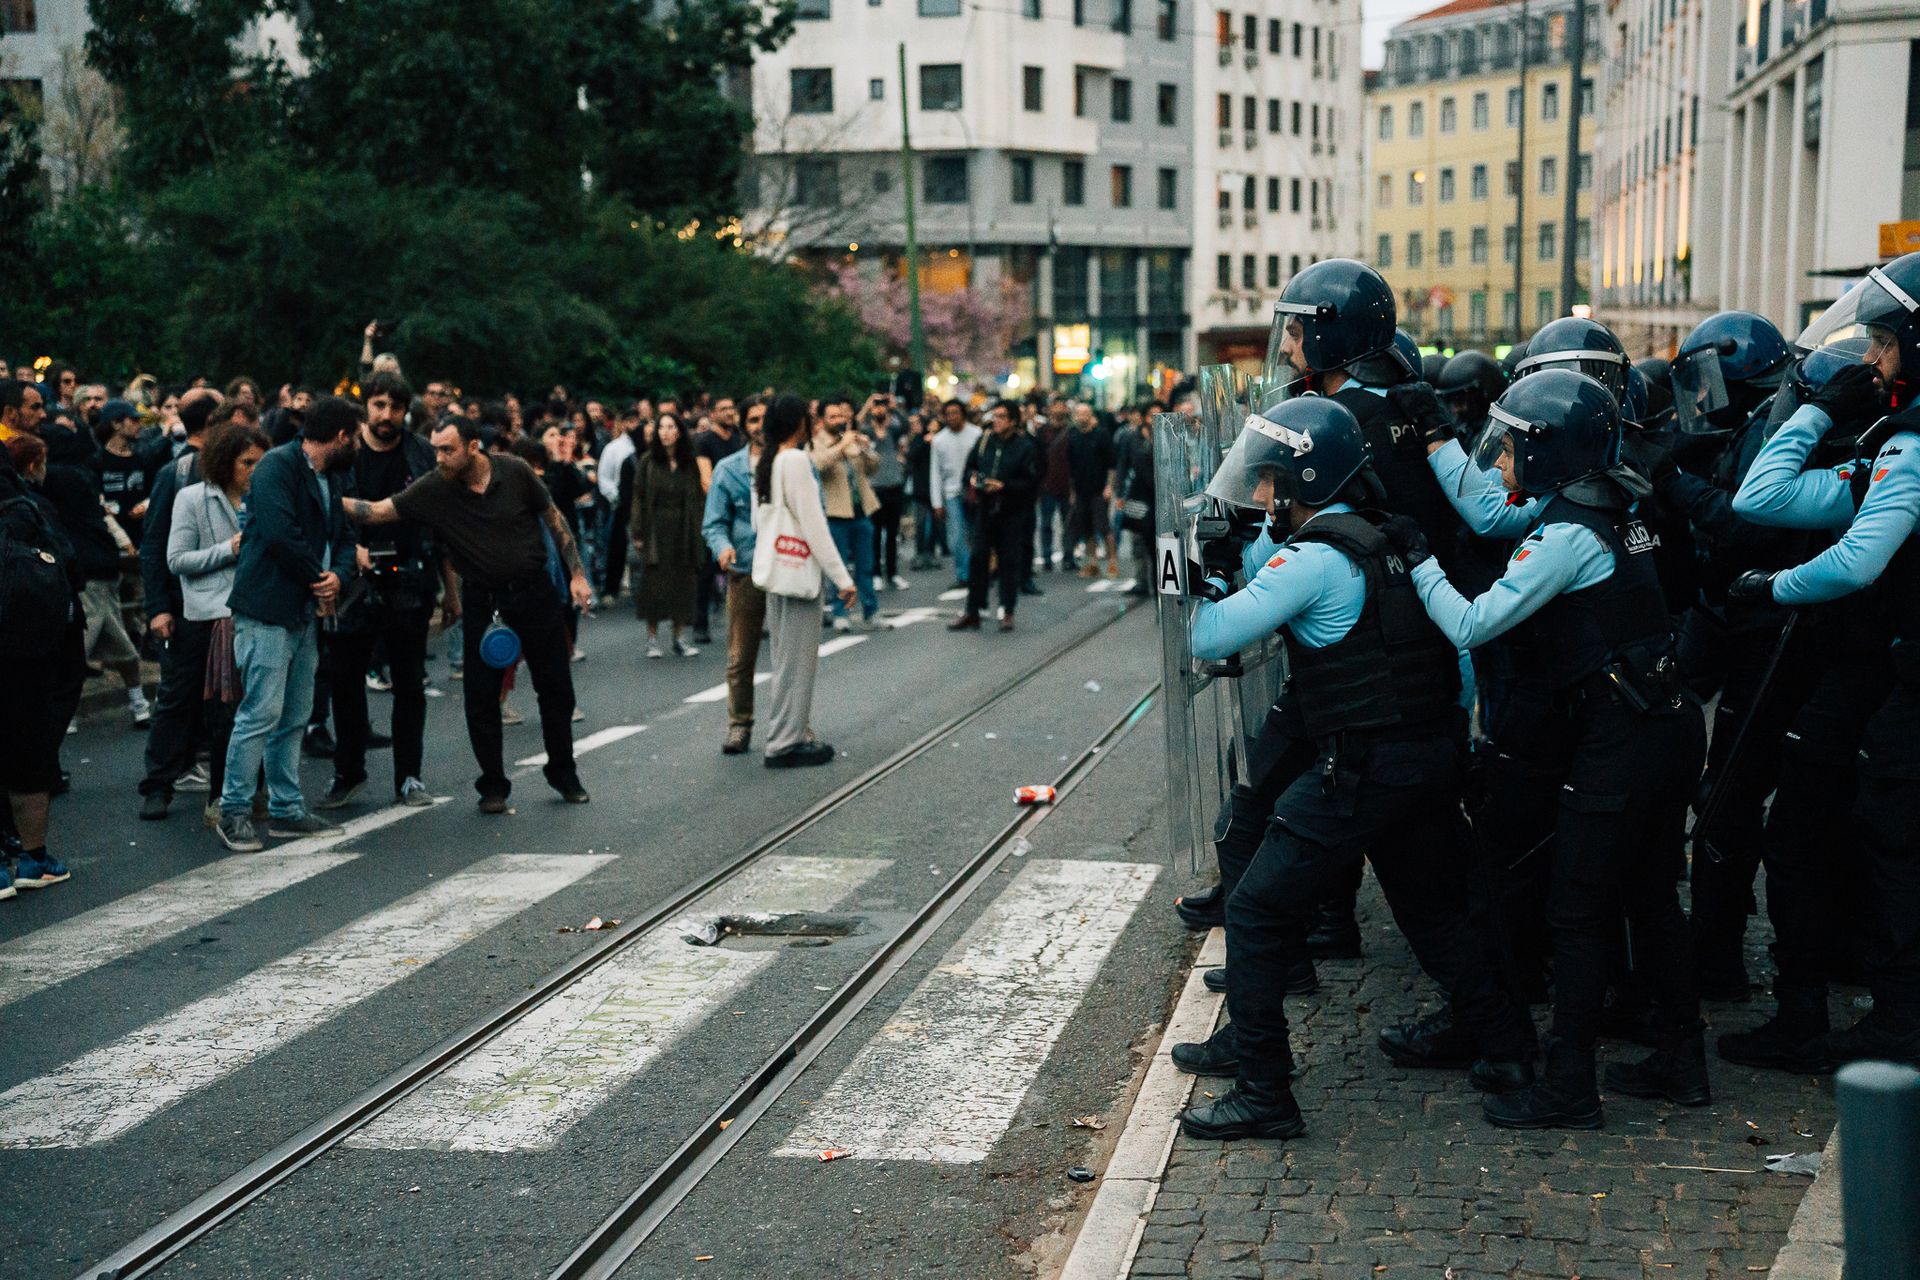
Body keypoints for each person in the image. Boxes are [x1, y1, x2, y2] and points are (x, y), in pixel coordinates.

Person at [1171, 396, 1536, 1142]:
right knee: (1436, 914)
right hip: (1427, 757)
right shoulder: (1389, 539)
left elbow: (1211, 635)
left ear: (1302, 481)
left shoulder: (1313, 561)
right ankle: (1511, 1055)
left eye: (1269, 481)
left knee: (1258, 909)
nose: (1261, 495)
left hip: (1363, 769)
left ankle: (1263, 1088)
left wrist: (1200, 569)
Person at [1410, 370, 1708, 1129]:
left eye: (1508, 451)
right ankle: (1683, 1061)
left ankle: (1569, 1084)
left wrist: (1419, 563)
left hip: (1623, 736)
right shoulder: (1621, 499)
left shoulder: (1566, 536)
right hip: (1667, 722)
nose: (1501, 466)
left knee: (1575, 908)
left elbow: (1476, 624)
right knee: (1650, 896)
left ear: (1549, 452)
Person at [1718, 254, 1920, 1067]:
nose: (1868, 362)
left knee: (1881, 836)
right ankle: (1819, 1008)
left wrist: (1771, 589)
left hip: (1891, 673)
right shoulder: (1890, 447)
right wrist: (1808, 412)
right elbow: (1759, 496)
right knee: (1828, 830)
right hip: (1874, 671)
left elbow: (1855, 562)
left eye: (1882, 343)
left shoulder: (1908, 451)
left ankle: (1890, 1022)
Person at [341, 414, 595, 813]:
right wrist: (316, 492)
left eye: (447, 449)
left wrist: (577, 574)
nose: (438, 457)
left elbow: (555, 520)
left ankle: (563, 772)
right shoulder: (434, 488)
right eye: (436, 448)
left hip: (535, 595)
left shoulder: (515, 471)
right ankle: (492, 785)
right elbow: (375, 512)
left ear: (473, 447)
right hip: (485, 602)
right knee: (480, 698)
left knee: (556, 689)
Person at [214, 396, 361, 852]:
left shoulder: (329, 477)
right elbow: (279, 533)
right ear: (340, 436)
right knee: (260, 713)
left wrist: (338, 574)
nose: (357, 444)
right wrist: (322, 581)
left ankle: (285, 808)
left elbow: (344, 536)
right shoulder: (278, 466)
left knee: (294, 715)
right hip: (268, 609)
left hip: (302, 611)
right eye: (353, 436)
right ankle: (233, 811)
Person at [316, 374, 440, 812]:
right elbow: (321, 510)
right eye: (379, 404)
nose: (386, 415)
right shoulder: (344, 453)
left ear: (407, 410)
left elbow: (440, 521)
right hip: (352, 584)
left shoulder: (422, 454)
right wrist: (352, 555)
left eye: (395, 406)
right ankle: (347, 772)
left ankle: (409, 777)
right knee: (345, 683)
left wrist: (453, 593)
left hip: (410, 582)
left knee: (409, 685)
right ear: (366, 406)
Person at [161, 421, 270, 825]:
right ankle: (219, 796)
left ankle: (254, 789)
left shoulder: (266, 497)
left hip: (258, 610)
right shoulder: (192, 498)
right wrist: (228, 549)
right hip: (210, 617)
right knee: (222, 713)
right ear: (225, 462)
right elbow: (176, 560)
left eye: (261, 462)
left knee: (258, 706)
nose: (254, 471)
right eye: (246, 462)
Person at [754, 394, 857, 768]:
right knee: (798, 663)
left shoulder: (769, 460)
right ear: (797, 423)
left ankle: (786, 733)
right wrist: (842, 578)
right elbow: (815, 525)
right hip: (798, 574)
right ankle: (786, 742)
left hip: (776, 570)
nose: (812, 423)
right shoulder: (796, 460)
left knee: (784, 661)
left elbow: (759, 521)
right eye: (808, 418)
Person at [136, 388, 225, 809]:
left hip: (226, 606)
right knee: (176, 693)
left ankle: (223, 787)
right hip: (183, 605)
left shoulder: (236, 471)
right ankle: (158, 784)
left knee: (224, 696)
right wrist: (158, 608)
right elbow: (153, 545)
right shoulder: (177, 474)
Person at [0, 432, 80, 897]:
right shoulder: (27, 508)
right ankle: (34, 860)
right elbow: (66, 566)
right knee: (30, 759)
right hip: (26, 653)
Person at [703, 396, 767, 754]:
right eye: (753, 419)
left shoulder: (791, 463)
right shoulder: (728, 469)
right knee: (740, 655)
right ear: (744, 425)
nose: (760, 425)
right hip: (745, 568)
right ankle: (740, 724)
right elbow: (713, 523)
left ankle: (795, 724)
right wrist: (722, 547)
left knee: (793, 655)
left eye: (765, 418)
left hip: (786, 569)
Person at [949, 400, 1039, 633]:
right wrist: (973, 480)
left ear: (1012, 421)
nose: (995, 421)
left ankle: (1007, 610)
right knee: (978, 557)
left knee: (1008, 562)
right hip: (985, 509)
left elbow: (1031, 482)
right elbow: (969, 468)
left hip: (1012, 512)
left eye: (1001, 416)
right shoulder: (984, 441)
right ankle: (973, 610)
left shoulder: (1024, 447)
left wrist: (1004, 486)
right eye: (994, 416)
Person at [630, 411, 705, 658]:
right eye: (661, 427)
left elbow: (697, 498)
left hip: (684, 528)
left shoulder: (688, 462)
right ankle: (652, 639)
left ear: (680, 431)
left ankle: (678, 637)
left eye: (671, 426)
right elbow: (638, 498)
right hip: (656, 528)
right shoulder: (648, 461)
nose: (665, 432)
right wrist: (638, 531)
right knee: (654, 584)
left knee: (683, 582)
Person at [809, 396, 882, 630]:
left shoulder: (850, 439)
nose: (839, 420)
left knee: (866, 565)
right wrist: (842, 447)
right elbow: (818, 465)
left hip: (861, 511)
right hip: (835, 514)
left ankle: (872, 611)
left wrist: (866, 449)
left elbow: (872, 469)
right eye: (833, 416)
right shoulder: (814, 443)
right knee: (838, 566)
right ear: (821, 420)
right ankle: (841, 613)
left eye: (841, 415)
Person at [928, 400, 981, 588]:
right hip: (951, 493)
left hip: (975, 493)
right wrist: (936, 502)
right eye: (948, 413)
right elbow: (935, 473)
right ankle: (964, 574)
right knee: (956, 536)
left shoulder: (976, 434)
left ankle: (980, 572)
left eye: (956, 413)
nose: (952, 417)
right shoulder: (939, 440)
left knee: (977, 535)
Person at [862, 393, 911, 591]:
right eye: (877, 407)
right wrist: (867, 404)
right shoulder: (867, 432)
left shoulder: (893, 429)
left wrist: (893, 407)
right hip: (875, 487)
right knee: (874, 533)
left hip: (894, 486)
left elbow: (907, 426)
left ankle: (892, 573)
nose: (879, 410)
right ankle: (875, 573)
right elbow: (854, 425)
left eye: (882, 407)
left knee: (892, 533)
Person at [1065, 402, 1118, 579]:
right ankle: (1092, 562)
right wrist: (1072, 492)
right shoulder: (1073, 437)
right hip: (1081, 490)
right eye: (1078, 414)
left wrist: (1109, 486)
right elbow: (1071, 468)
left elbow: (1111, 464)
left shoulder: (1101, 435)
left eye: (1084, 414)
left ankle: (1112, 561)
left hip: (1098, 489)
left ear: (1090, 415)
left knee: (1104, 527)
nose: (1081, 417)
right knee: (1086, 527)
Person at [595, 402, 640, 607]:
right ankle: (610, 589)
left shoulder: (643, 447)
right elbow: (604, 478)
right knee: (616, 548)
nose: (634, 425)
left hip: (640, 505)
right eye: (630, 421)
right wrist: (617, 497)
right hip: (620, 504)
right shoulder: (613, 448)